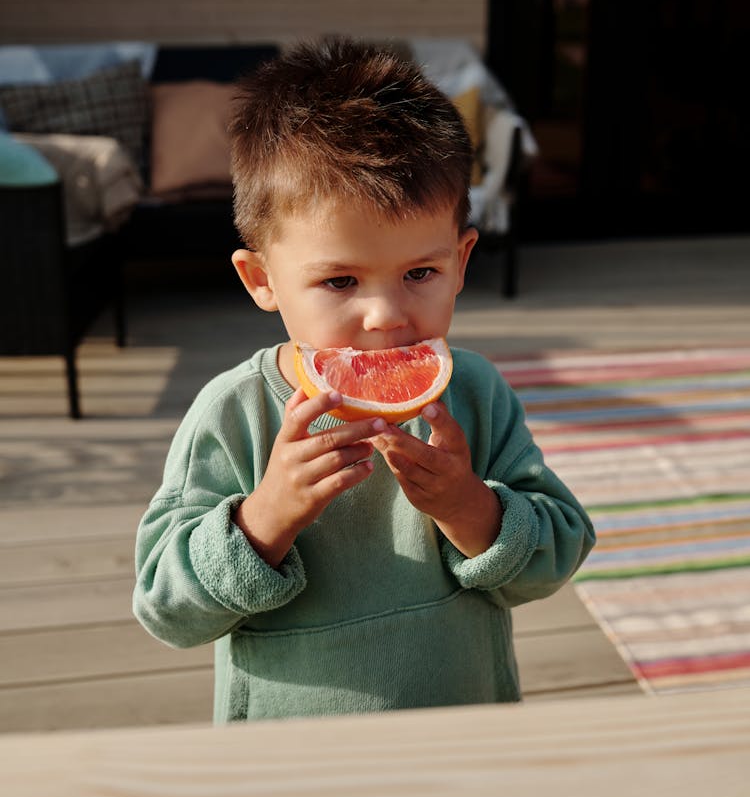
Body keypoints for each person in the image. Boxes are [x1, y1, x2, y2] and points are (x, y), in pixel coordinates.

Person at [133, 38, 595, 722]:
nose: (385, 315)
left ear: (462, 260)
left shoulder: (475, 393)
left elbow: (558, 553)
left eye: (420, 273)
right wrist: (263, 520)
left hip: (466, 736)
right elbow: (166, 608)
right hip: (290, 766)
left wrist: (470, 506)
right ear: (262, 279)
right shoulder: (233, 415)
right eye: (340, 280)